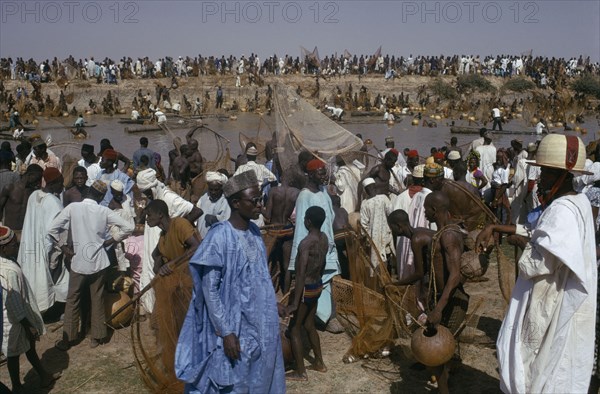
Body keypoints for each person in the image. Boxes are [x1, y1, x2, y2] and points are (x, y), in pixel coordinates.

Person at [476, 134, 597, 393]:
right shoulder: (580, 201)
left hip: (553, 299)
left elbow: (537, 264)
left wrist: (520, 244)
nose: (541, 179)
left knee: (541, 365)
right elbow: (541, 232)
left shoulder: (562, 210)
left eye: (546, 174)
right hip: (563, 297)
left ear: (562, 176)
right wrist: (500, 226)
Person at [175, 171, 286, 393]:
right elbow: (210, 290)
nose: (260, 205)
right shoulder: (219, 237)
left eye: (261, 199)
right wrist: (226, 332)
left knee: (260, 377)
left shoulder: (254, 232)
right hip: (234, 328)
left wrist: (273, 303)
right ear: (236, 203)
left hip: (260, 324)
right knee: (234, 381)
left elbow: (260, 276)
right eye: (254, 201)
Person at [49, 180, 134, 350]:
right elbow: (129, 227)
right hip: (99, 262)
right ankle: (97, 336)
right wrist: (110, 240)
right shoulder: (103, 211)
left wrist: (64, 248)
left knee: (73, 300)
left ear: (88, 192)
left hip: (78, 261)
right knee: (97, 298)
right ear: (102, 195)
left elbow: (52, 229)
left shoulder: (73, 208)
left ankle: (68, 338)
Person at [145, 199, 200, 385]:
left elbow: (197, 247)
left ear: (160, 214)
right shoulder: (162, 237)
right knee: (173, 326)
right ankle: (182, 364)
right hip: (178, 289)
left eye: (149, 215)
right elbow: (158, 259)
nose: (146, 219)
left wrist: (173, 263)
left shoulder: (179, 224)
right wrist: (158, 263)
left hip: (194, 285)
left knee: (192, 327)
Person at [1, 226, 61, 392]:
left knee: (25, 349)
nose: (17, 247)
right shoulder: (8, 271)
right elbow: (13, 303)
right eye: (14, 245)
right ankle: (17, 386)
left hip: (12, 318)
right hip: (14, 321)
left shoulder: (8, 262)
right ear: (3, 248)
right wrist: (28, 326)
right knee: (14, 354)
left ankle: (43, 376)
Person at [423, 191, 470, 394]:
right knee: (440, 352)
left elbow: (454, 275)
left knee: (439, 352)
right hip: (441, 298)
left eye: (426, 208)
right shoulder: (442, 233)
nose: (424, 212)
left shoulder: (449, 235)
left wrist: (439, 308)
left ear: (434, 210)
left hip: (450, 300)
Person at [136, 168, 201, 314]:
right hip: (159, 243)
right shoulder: (154, 201)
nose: (145, 195)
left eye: (147, 191)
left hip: (169, 248)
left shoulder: (169, 197)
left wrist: (175, 231)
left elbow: (196, 211)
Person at [290, 159, 342, 332]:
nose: (324, 176)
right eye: (320, 173)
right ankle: (323, 318)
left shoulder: (322, 191)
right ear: (310, 174)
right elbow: (300, 228)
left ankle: (327, 316)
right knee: (316, 280)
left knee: (329, 280)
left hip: (326, 243)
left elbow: (330, 216)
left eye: (324, 172)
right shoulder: (304, 196)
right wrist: (297, 259)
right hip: (313, 249)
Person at [286, 206, 328, 381]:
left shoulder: (306, 243)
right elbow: (323, 263)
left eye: (304, 218)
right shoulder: (324, 238)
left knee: (294, 328)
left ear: (308, 221)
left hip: (306, 289)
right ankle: (319, 363)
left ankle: (301, 372)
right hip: (317, 285)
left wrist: (295, 301)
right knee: (309, 325)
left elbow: (301, 272)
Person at [17, 167, 66, 313]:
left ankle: (32, 308)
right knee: (48, 278)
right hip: (46, 247)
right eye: (60, 183)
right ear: (54, 183)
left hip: (30, 244)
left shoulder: (34, 195)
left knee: (31, 275)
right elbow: (56, 231)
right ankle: (48, 309)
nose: (62, 187)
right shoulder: (54, 202)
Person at [0, 164, 43, 235]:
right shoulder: (10, 188)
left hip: (26, 232)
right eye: (37, 178)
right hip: (9, 231)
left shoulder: (34, 193)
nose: (38, 182)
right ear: (30, 175)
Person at [196, 171, 231, 238]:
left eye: (216, 190)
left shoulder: (225, 201)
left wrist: (211, 219)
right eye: (211, 189)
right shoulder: (204, 198)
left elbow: (224, 223)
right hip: (200, 239)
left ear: (222, 188)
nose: (213, 192)